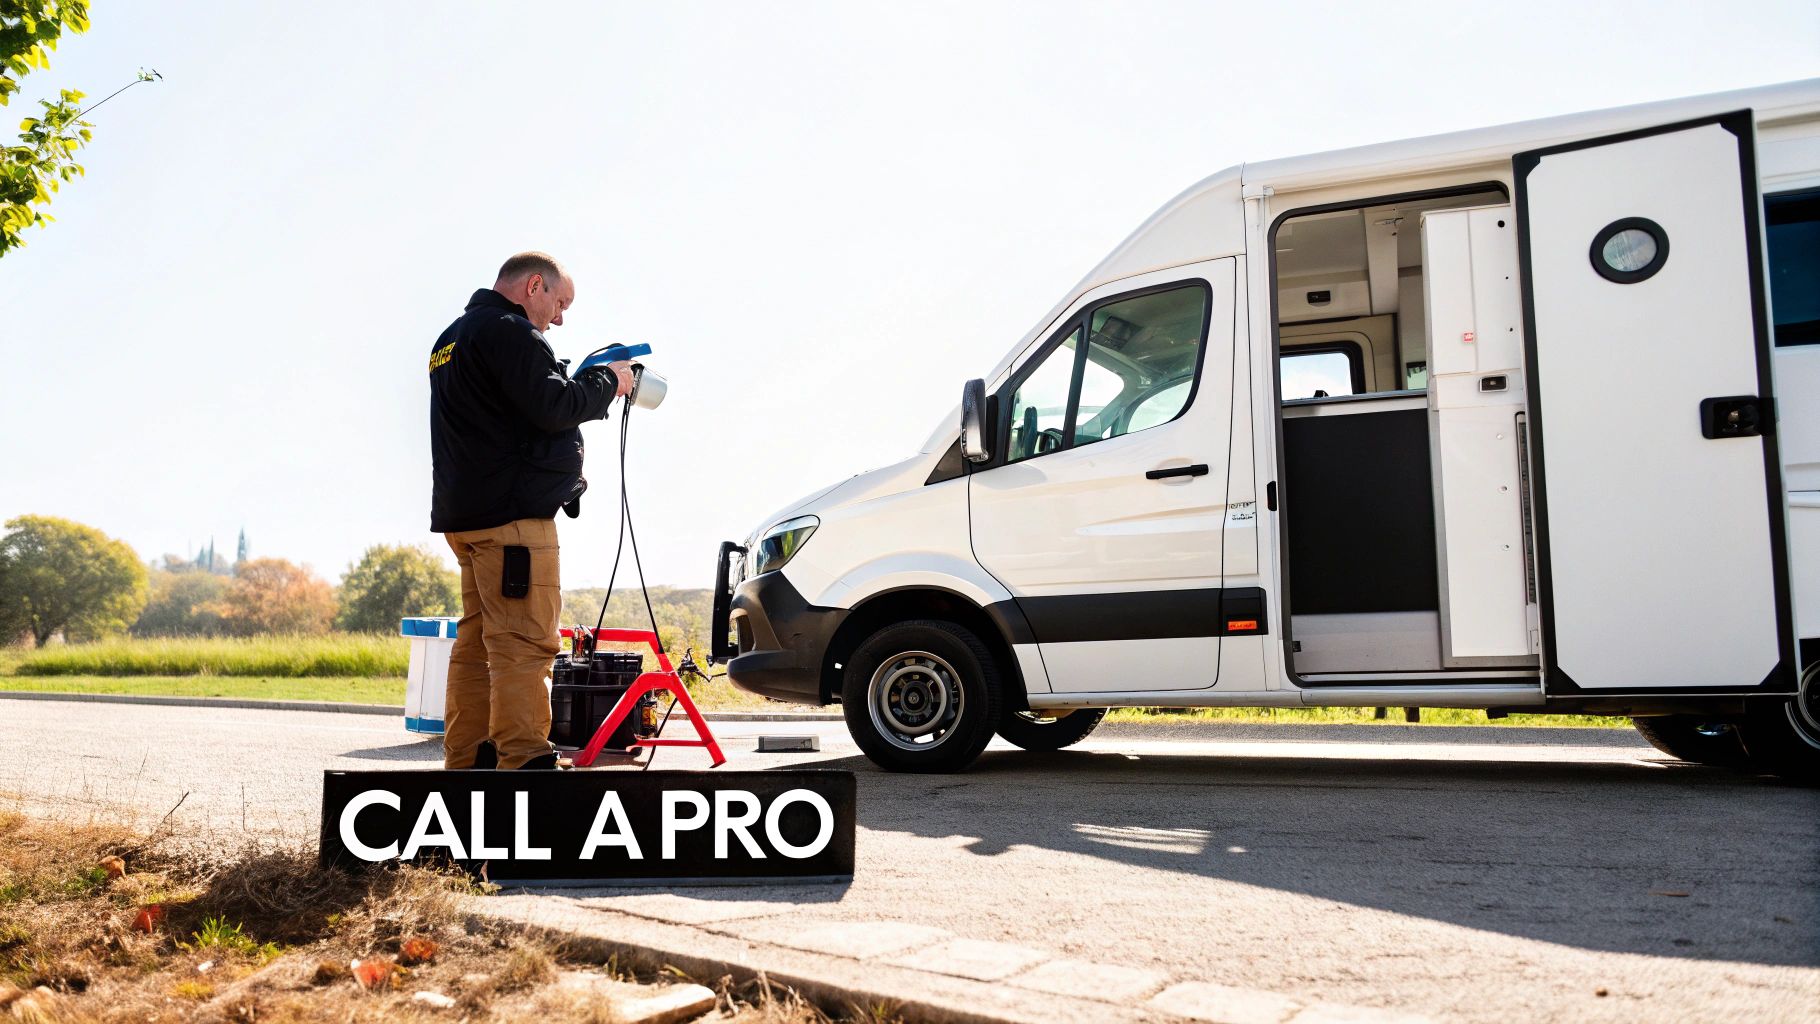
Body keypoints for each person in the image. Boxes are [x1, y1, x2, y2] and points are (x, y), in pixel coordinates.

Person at [427, 252, 633, 770]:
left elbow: (516, 408)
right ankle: (524, 761)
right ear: (534, 285)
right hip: (513, 523)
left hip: (466, 517)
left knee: (477, 645)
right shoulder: (509, 331)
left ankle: (468, 758)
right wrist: (608, 382)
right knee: (524, 641)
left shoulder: (450, 339)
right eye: (560, 304)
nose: (559, 319)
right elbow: (553, 406)